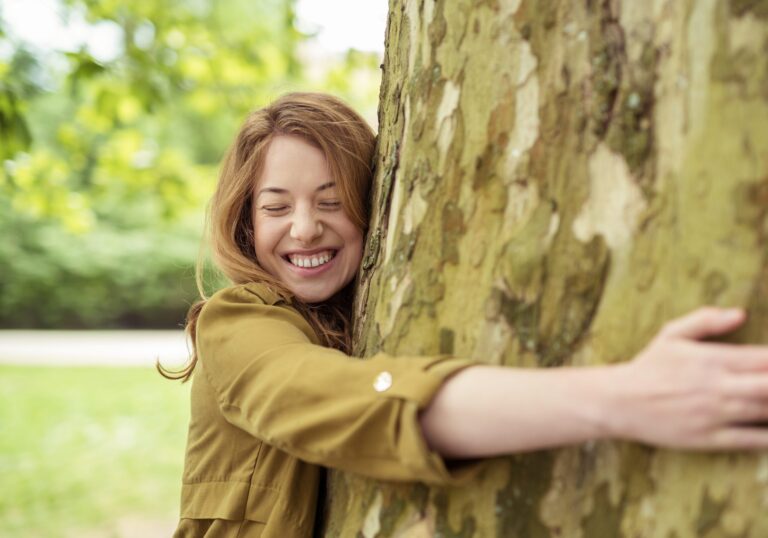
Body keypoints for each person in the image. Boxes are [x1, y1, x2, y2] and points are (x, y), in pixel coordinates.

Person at [162, 92, 768, 537]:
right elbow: (325, 395)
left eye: (332, 200)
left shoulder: (372, 315)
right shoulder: (237, 324)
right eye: (276, 207)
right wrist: (626, 397)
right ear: (245, 223)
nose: (305, 227)